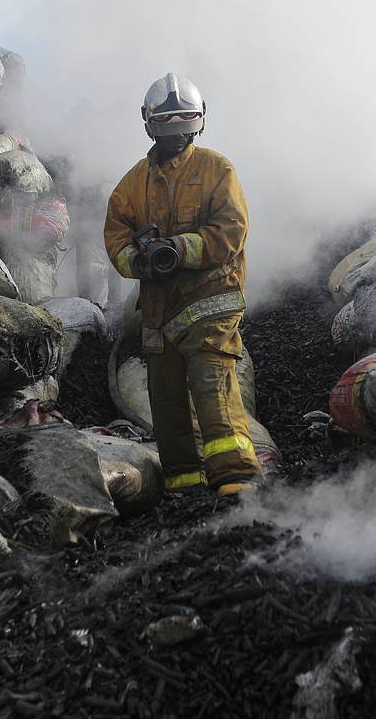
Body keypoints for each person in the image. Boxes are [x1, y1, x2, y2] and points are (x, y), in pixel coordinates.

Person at [104, 73, 262, 496]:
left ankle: (236, 477)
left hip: (210, 298)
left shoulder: (216, 169)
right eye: (168, 125)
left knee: (212, 382)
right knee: (166, 398)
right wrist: (140, 260)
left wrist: (181, 247)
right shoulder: (132, 185)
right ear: (149, 123)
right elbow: (117, 238)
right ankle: (184, 482)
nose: (177, 136)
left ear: (198, 123)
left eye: (184, 125)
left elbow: (232, 230)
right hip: (159, 307)